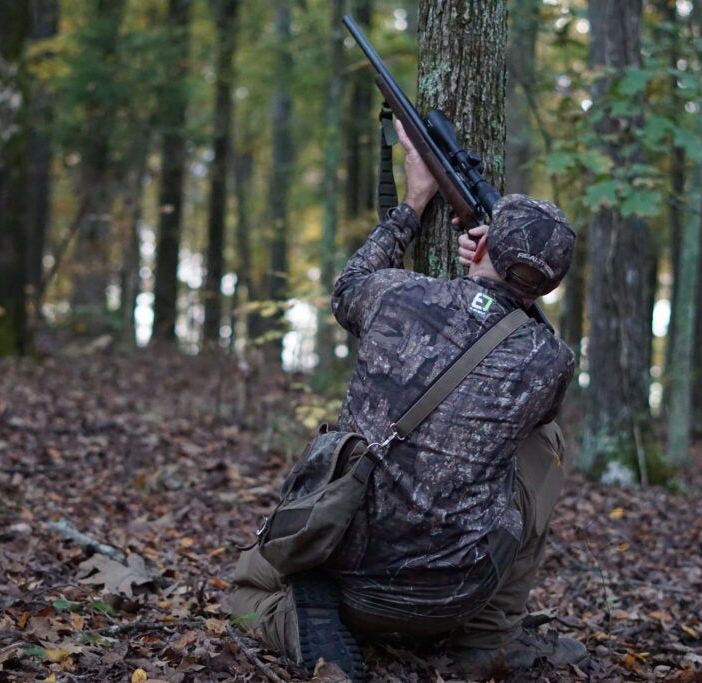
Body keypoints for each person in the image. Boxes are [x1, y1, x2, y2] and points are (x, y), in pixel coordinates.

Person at [231, 121, 586, 680]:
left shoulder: (399, 294)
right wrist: (505, 279)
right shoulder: (554, 360)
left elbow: (349, 285)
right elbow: (522, 363)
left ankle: (307, 622)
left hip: (349, 578)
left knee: (247, 591)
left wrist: (414, 202)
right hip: (458, 592)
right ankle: (487, 642)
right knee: (548, 441)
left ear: (485, 243)